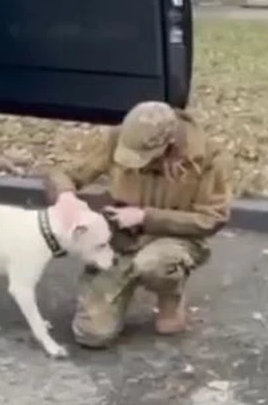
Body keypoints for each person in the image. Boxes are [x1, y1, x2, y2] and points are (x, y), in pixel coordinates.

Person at [44, 100, 233, 349]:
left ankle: (170, 297)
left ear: (169, 146)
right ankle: (117, 287)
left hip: (174, 240)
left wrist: (145, 216)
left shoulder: (209, 158)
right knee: (91, 334)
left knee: (155, 264)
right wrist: (66, 195)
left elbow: (212, 218)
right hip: (122, 240)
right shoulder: (119, 138)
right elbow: (61, 173)